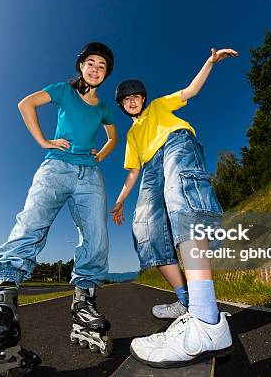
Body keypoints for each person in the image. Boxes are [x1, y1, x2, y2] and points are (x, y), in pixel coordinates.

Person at [0, 42, 118, 374]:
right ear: (81, 67)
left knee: (96, 236)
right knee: (30, 225)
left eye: (102, 66)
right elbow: (26, 104)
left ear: (106, 74)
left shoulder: (104, 107)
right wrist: (43, 141)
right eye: (90, 63)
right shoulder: (63, 90)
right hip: (55, 168)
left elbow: (112, 136)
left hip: (89, 176)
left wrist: (101, 156)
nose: (95, 69)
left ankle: (84, 304)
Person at [111, 47, 238, 367]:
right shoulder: (131, 135)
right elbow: (133, 173)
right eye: (125, 101)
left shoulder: (158, 106)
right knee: (145, 229)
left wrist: (209, 61)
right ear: (123, 107)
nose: (131, 102)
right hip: (149, 168)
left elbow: (191, 90)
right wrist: (120, 200)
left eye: (134, 97)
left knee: (180, 195)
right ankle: (186, 302)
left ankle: (207, 320)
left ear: (142, 97)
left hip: (176, 143)